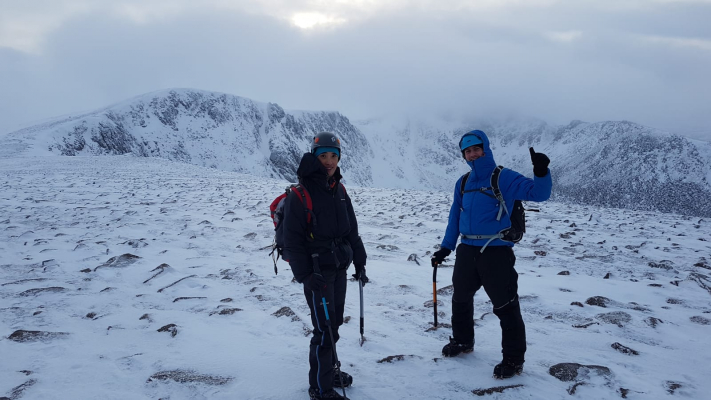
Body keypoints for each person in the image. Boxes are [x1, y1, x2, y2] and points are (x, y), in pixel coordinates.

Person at [431, 129, 551, 379]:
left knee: (506, 306)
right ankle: (463, 341)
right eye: (468, 151)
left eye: (476, 149)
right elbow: (456, 215)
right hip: (467, 249)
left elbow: (539, 194)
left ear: (485, 149)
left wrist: (541, 172)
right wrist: (446, 246)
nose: (473, 154)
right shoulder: (463, 183)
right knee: (460, 298)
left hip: (496, 251)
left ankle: (513, 360)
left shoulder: (503, 177)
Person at [282, 132, 368, 400]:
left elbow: (351, 231)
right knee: (324, 330)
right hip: (317, 274)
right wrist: (305, 276)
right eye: (323, 156)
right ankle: (321, 388)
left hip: (339, 268)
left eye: (334, 155)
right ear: (314, 157)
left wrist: (360, 260)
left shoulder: (339, 190)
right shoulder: (300, 194)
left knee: (334, 324)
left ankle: (327, 371)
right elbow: (292, 241)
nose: (329, 161)